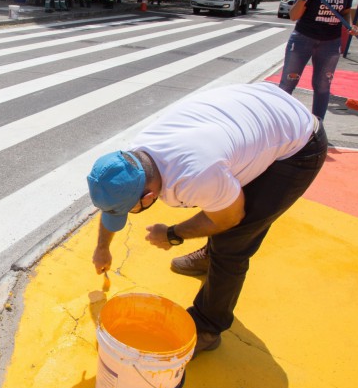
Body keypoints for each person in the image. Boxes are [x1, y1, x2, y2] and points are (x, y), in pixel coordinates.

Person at [87, 82, 327, 357]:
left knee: (233, 242)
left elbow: (230, 217)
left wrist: (172, 234)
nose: (126, 214)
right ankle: (207, 256)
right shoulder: (135, 157)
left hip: (298, 146)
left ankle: (208, 327)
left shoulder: (193, 177)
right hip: (259, 113)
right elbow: (114, 200)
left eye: (130, 209)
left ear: (149, 195)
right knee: (220, 200)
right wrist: (102, 247)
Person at [278, 0, 358, 120]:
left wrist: (349, 26)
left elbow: (344, 12)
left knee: (322, 86)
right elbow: (294, 16)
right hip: (303, 39)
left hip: (330, 42)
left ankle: (318, 125)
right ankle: (278, 121)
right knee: (288, 83)